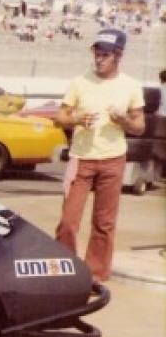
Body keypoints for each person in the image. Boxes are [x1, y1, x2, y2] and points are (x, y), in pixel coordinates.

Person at [53, 28, 145, 282]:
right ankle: (65, 271)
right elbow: (59, 118)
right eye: (96, 53)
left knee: (104, 223)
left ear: (118, 56)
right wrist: (76, 119)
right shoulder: (79, 82)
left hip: (113, 160)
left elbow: (140, 126)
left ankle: (95, 274)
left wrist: (124, 121)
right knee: (68, 221)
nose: (99, 59)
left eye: (105, 54)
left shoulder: (131, 86)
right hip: (81, 159)